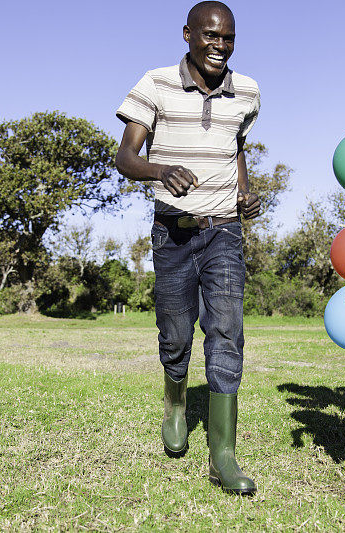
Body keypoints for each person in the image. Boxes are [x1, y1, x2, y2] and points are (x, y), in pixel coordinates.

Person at [114, 1, 261, 495]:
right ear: (187, 35)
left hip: (224, 230)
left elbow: (235, 145)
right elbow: (125, 156)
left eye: (228, 37)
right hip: (173, 231)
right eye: (211, 35)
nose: (220, 45)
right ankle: (175, 403)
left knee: (226, 330)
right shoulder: (154, 84)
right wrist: (160, 171)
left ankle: (224, 453)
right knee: (176, 333)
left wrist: (243, 190)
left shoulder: (248, 92)